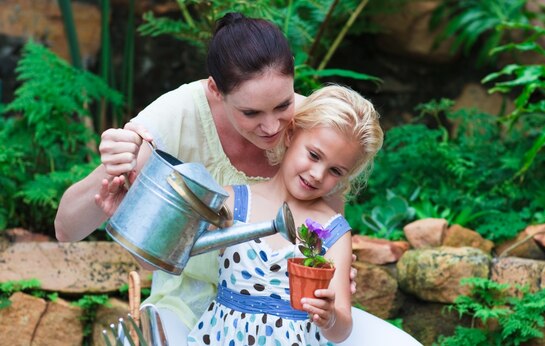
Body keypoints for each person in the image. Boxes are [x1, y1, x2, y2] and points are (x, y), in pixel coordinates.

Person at [55, 12, 421, 345]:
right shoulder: (177, 116)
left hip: (294, 323)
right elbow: (85, 234)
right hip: (196, 306)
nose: (272, 127)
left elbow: (328, 231)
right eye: (251, 112)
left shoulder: (316, 127)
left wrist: (334, 284)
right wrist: (121, 193)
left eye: (283, 105)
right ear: (216, 89)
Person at [188, 84, 383, 345]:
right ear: (290, 134)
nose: (317, 174)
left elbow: (342, 329)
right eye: (314, 155)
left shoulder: (334, 232)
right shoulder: (234, 202)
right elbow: (172, 244)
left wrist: (330, 317)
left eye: (335, 171)